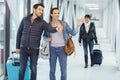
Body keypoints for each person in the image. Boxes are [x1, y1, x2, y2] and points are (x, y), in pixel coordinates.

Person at [15, 3, 61, 80]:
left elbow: (49, 28)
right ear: (34, 9)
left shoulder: (42, 22)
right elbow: (19, 33)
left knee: (33, 69)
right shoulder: (25, 19)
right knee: (22, 69)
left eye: (42, 10)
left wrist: (56, 29)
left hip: (34, 49)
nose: (41, 11)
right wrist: (17, 47)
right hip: (23, 48)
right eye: (39, 9)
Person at [43, 8, 82, 80]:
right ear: (51, 14)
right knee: (52, 70)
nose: (57, 15)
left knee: (63, 70)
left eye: (58, 13)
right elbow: (44, 36)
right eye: (55, 13)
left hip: (62, 50)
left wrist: (77, 26)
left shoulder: (64, 24)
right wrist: (46, 39)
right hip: (52, 50)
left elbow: (73, 33)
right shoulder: (48, 25)